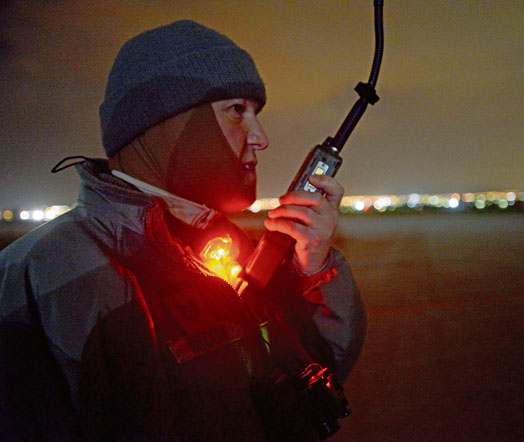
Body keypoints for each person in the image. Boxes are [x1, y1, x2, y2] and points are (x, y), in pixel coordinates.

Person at [0, 20, 366, 441]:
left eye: (256, 113)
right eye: (237, 111)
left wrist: (314, 268)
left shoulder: (229, 249)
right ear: (168, 124)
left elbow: (310, 379)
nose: (261, 138)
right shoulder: (43, 273)